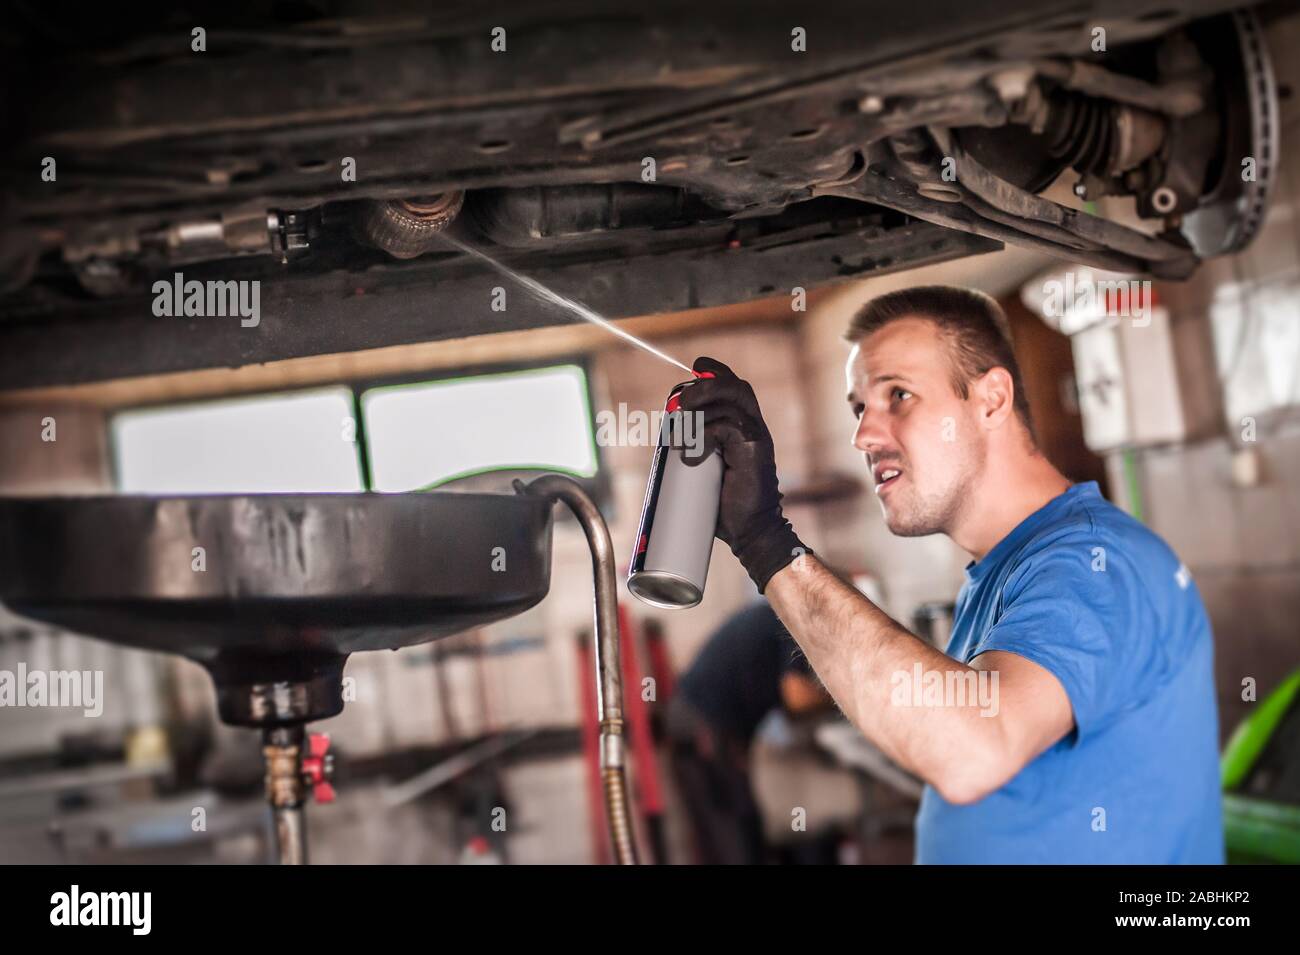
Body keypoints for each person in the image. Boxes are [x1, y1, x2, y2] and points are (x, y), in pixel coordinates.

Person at [679, 285, 1223, 863]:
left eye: (899, 395)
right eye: (859, 407)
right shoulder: (999, 575)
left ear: (991, 400)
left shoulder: (1092, 561)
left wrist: (767, 543)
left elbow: (974, 752)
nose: (864, 434)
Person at [667, 600, 828, 864]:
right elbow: (797, 697)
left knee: (736, 826)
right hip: (703, 724)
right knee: (736, 829)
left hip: (700, 720)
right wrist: (844, 699)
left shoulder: (777, 613)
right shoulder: (794, 622)